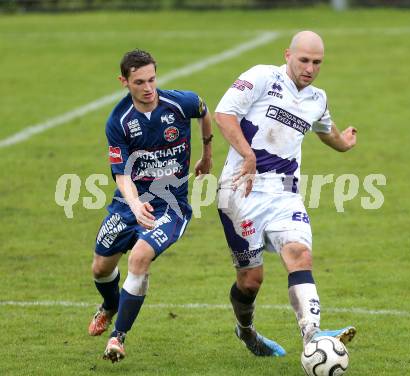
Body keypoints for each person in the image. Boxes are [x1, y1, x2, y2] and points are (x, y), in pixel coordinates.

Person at [215, 30, 357, 357]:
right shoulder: (262, 77)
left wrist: (344, 143)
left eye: (316, 62)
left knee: (299, 254)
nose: (309, 67)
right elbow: (224, 115)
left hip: (285, 195)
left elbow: (326, 129)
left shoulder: (317, 98)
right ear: (288, 54)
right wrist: (248, 155)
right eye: (304, 60)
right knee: (251, 280)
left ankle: (313, 336)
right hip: (240, 191)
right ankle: (247, 331)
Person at [88, 49, 213, 363]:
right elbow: (121, 173)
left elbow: (204, 109)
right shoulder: (118, 121)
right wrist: (133, 204)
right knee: (101, 268)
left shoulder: (179, 104)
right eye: (139, 82)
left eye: (152, 79)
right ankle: (110, 304)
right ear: (124, 82)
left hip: (171, 204)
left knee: (140, 257)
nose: (148, 88)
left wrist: (207, 153)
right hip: (129, 201)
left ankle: (118, 337)